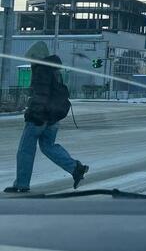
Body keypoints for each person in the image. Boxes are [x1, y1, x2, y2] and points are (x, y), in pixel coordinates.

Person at [4, 55, 88, 194]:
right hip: (53, 117)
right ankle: (75, 168)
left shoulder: (41, 69)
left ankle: (22, 184)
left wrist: (36, 115)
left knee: (26, 150)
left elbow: (41, 95)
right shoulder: (55, 70)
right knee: (48, 146)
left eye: (31, 56)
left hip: (39, 117)